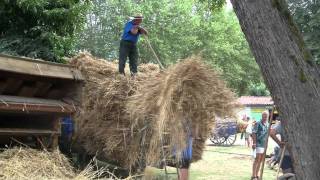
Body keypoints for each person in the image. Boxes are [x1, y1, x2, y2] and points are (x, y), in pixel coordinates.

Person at [251, 111, 269, 180]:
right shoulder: (258, 123)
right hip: (258, 143)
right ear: (262, 116)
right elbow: (254, 133)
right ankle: (253, 176)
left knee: (261, 160)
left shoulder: (267, 124)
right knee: (257, 159)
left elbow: (267, 135)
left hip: (264, 144)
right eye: (264, 116)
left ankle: (257, 174)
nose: (265, 117)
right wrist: (254, 143)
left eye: (266, 116)